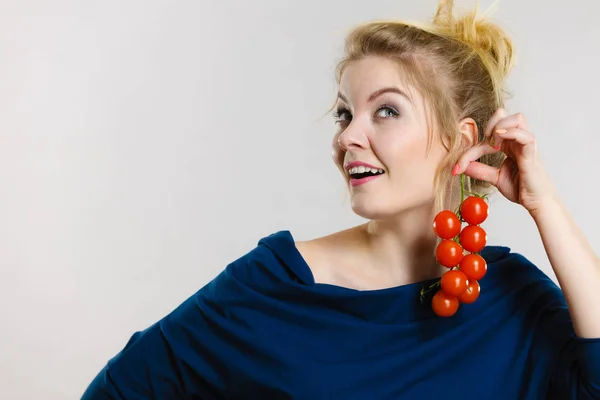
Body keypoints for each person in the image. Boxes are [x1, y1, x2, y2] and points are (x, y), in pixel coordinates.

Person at [81, 1, 600, 398]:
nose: (348, 137)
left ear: (460, 139)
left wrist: (543, 203)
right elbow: (124, 388)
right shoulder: (273, 283)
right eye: (344, 114)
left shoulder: (511, 298)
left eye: (386, 111)